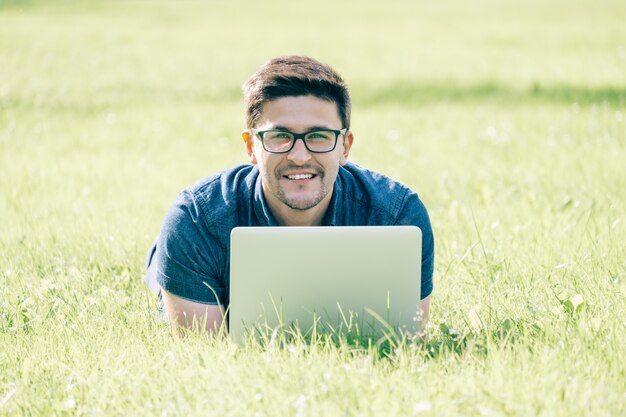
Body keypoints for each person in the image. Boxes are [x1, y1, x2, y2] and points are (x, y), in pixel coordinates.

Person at [145, 55, 434, 336]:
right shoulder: (196, 221)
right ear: (251, 147)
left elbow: (407, 343)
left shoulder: (398, 216)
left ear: (345, 146)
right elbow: (205, 356)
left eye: (319, 136)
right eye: (280, 136)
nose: (299, 156)